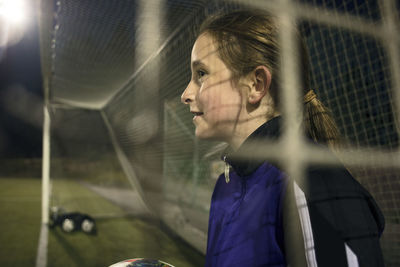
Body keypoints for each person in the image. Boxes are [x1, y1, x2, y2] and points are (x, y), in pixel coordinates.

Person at [181, 9, 385, 267]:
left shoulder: (314, 184)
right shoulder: (226, 184)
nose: (186, 94)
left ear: (256, 85)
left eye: (201, 74)